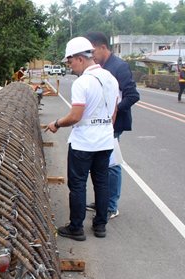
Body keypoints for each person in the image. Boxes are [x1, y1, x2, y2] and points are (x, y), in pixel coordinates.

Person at [45, 37, 119, 241]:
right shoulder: (110, 78)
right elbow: (113, 112)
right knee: (101, 182)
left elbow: (75, 116)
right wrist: (103, 129)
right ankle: (100, 225)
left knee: (77, 184)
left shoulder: (83, 82)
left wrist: (57, 123)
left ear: (79, 58)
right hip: (105, 141)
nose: (70, 66)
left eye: (70, 62)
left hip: (84, 143)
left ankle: (76, 227)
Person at [85, 31, 140, 219]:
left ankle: (111, 205)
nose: (91, 56)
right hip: (100, 124)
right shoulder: (100, 67)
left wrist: (113, 111)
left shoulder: (119, 67)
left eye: (92, 51)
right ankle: (102, 200)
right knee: (100, 163)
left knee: (112, 164)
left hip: (113, 125)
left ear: (102, 47)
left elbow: (133, 95)